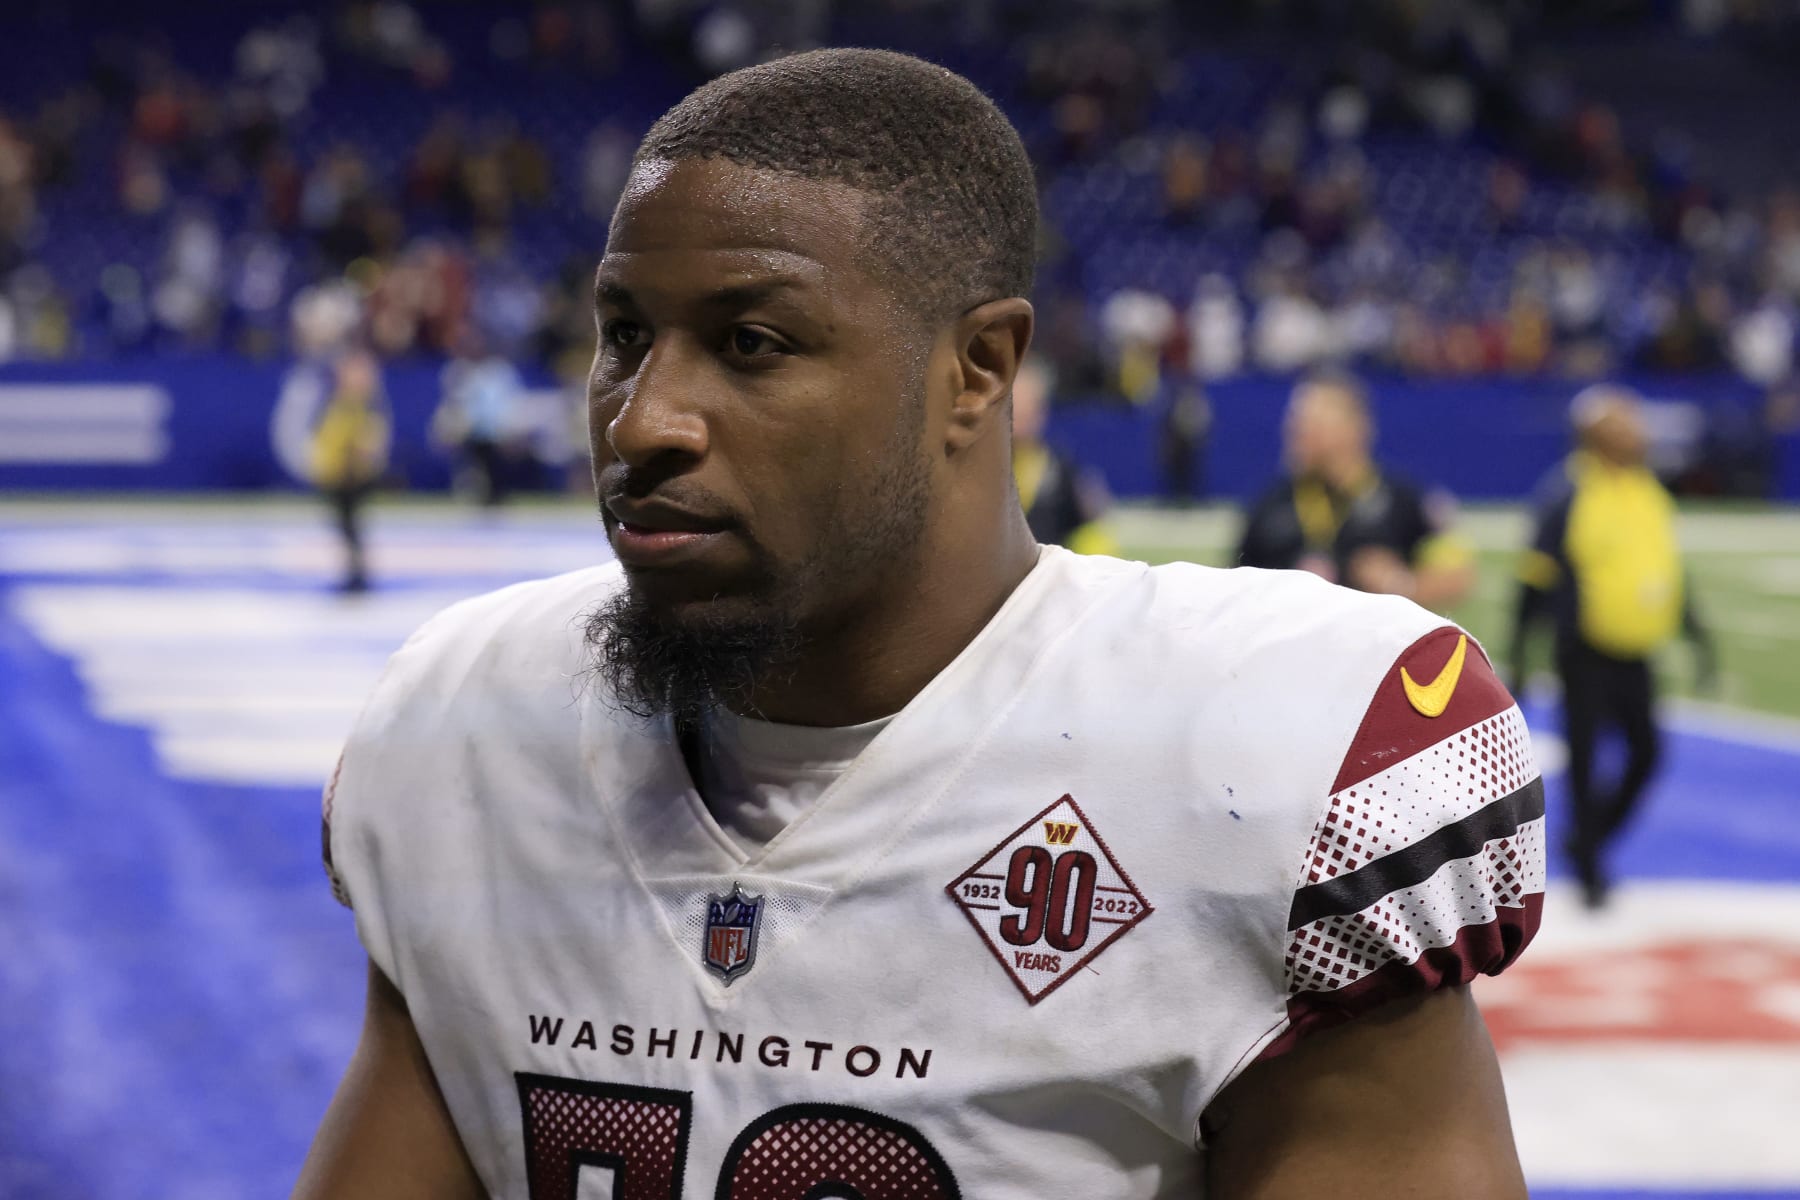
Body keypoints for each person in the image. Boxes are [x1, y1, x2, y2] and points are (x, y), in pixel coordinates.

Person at [298, 50, 1543, 1199]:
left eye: (750, 342)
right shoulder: (465, 727)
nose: (643, 420)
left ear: (979, 368)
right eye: (624, 336)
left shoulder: (1256, 761)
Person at [1509, 384, 1716, 908]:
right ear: (1596, 434)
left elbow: (1667, 568)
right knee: (1583, 759)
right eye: (1624, 423)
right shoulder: (1569, 490)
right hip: (1584, 649)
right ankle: (1592, 870)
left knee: (1647, 752)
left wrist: (1699, 640)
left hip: (1636, 649)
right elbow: (1535, 572)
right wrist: (1520, 651)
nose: (1638, 431)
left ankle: (1588, 840)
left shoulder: (1648, 489)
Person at [1237, 369, 1476, 610]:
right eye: (1295, 422)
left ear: (1354, 427)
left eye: (1312, 423)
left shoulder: (1404, 498)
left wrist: (1399, 584)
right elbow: (1238, 594)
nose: (1295, 432)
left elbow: (1458, 577)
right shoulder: (1270, 502)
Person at [1010, 354, 1117, 553]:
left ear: (1041, 411)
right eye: (1014, 408)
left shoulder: (1060, 468)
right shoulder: (977, 469)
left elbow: (1090, 532)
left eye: (1028, 408)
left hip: (1050, 576)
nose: (1020, 418)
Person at [307, 348, 389, 593]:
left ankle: (358, 575)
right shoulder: (339, 403)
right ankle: (354, 572)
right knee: (346, 528)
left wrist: (352, 464)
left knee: (351, 527)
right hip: (337, 474)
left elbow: (366, 442)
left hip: (349, 476)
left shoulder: (361, 407)